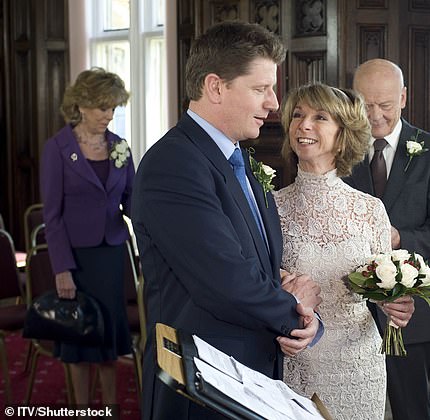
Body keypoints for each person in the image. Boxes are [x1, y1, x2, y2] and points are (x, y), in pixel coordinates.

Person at [131, 21, 322, 420]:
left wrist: (286, 289)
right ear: (215, 86)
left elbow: (253, 264)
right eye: (260, 89)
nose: (273, 103)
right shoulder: (175, 164)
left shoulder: (235, 159)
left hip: (247, 377)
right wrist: (299, 315)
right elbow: (224, 280)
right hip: (201, 386)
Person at [275, 82, 415, 419]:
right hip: (296, 361)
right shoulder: (272, 207)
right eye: (297, 115)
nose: (303, 125)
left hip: (358, 365)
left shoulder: (370, 210)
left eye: (319, 117)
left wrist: (395, 304)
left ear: (343, 135)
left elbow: (381, 289)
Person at [344, 58, 430, 420]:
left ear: (404, 98)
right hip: (352, 307)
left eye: (386, 105)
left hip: (413, 307)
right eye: (365, 104)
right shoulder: (342, 149)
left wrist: (399, 238)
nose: (375, 115)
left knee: (411, 408)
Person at [40, 67, 134, 407]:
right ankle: (82, 411)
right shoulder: (57, 149)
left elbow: (132, 201)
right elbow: (52, 217)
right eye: (102, 108)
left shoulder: (120, 147)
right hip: (76, 259)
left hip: (110, 256)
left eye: (112, 108)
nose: (108, 115)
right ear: (81, 105)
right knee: (80, 342)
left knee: (107, 339)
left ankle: (107, 409)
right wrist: (61, 269)